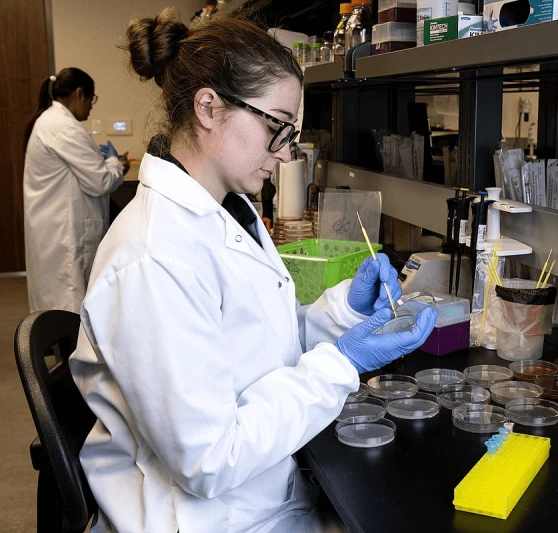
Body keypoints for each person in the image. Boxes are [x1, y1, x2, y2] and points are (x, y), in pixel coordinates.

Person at [69, 8, 437, 533]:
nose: (286, 154)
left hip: (260, 492)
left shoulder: (228, 210)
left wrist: (344, 313)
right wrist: (342, 362)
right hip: (205, 517)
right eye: (276, 127)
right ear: (209, 107)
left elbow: (258, 349)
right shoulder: (153, 257)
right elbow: (208, 461)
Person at [23, 68, 129, 313]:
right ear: (79, 94)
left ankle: (58, 334)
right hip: (65, 232)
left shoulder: (52, 122)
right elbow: (101, 182)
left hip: (55, 226)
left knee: (58, 299)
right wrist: (115, 163)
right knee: (69, 301)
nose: (91, 107)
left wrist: (103, 161)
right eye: (91, 99)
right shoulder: (64, 128)